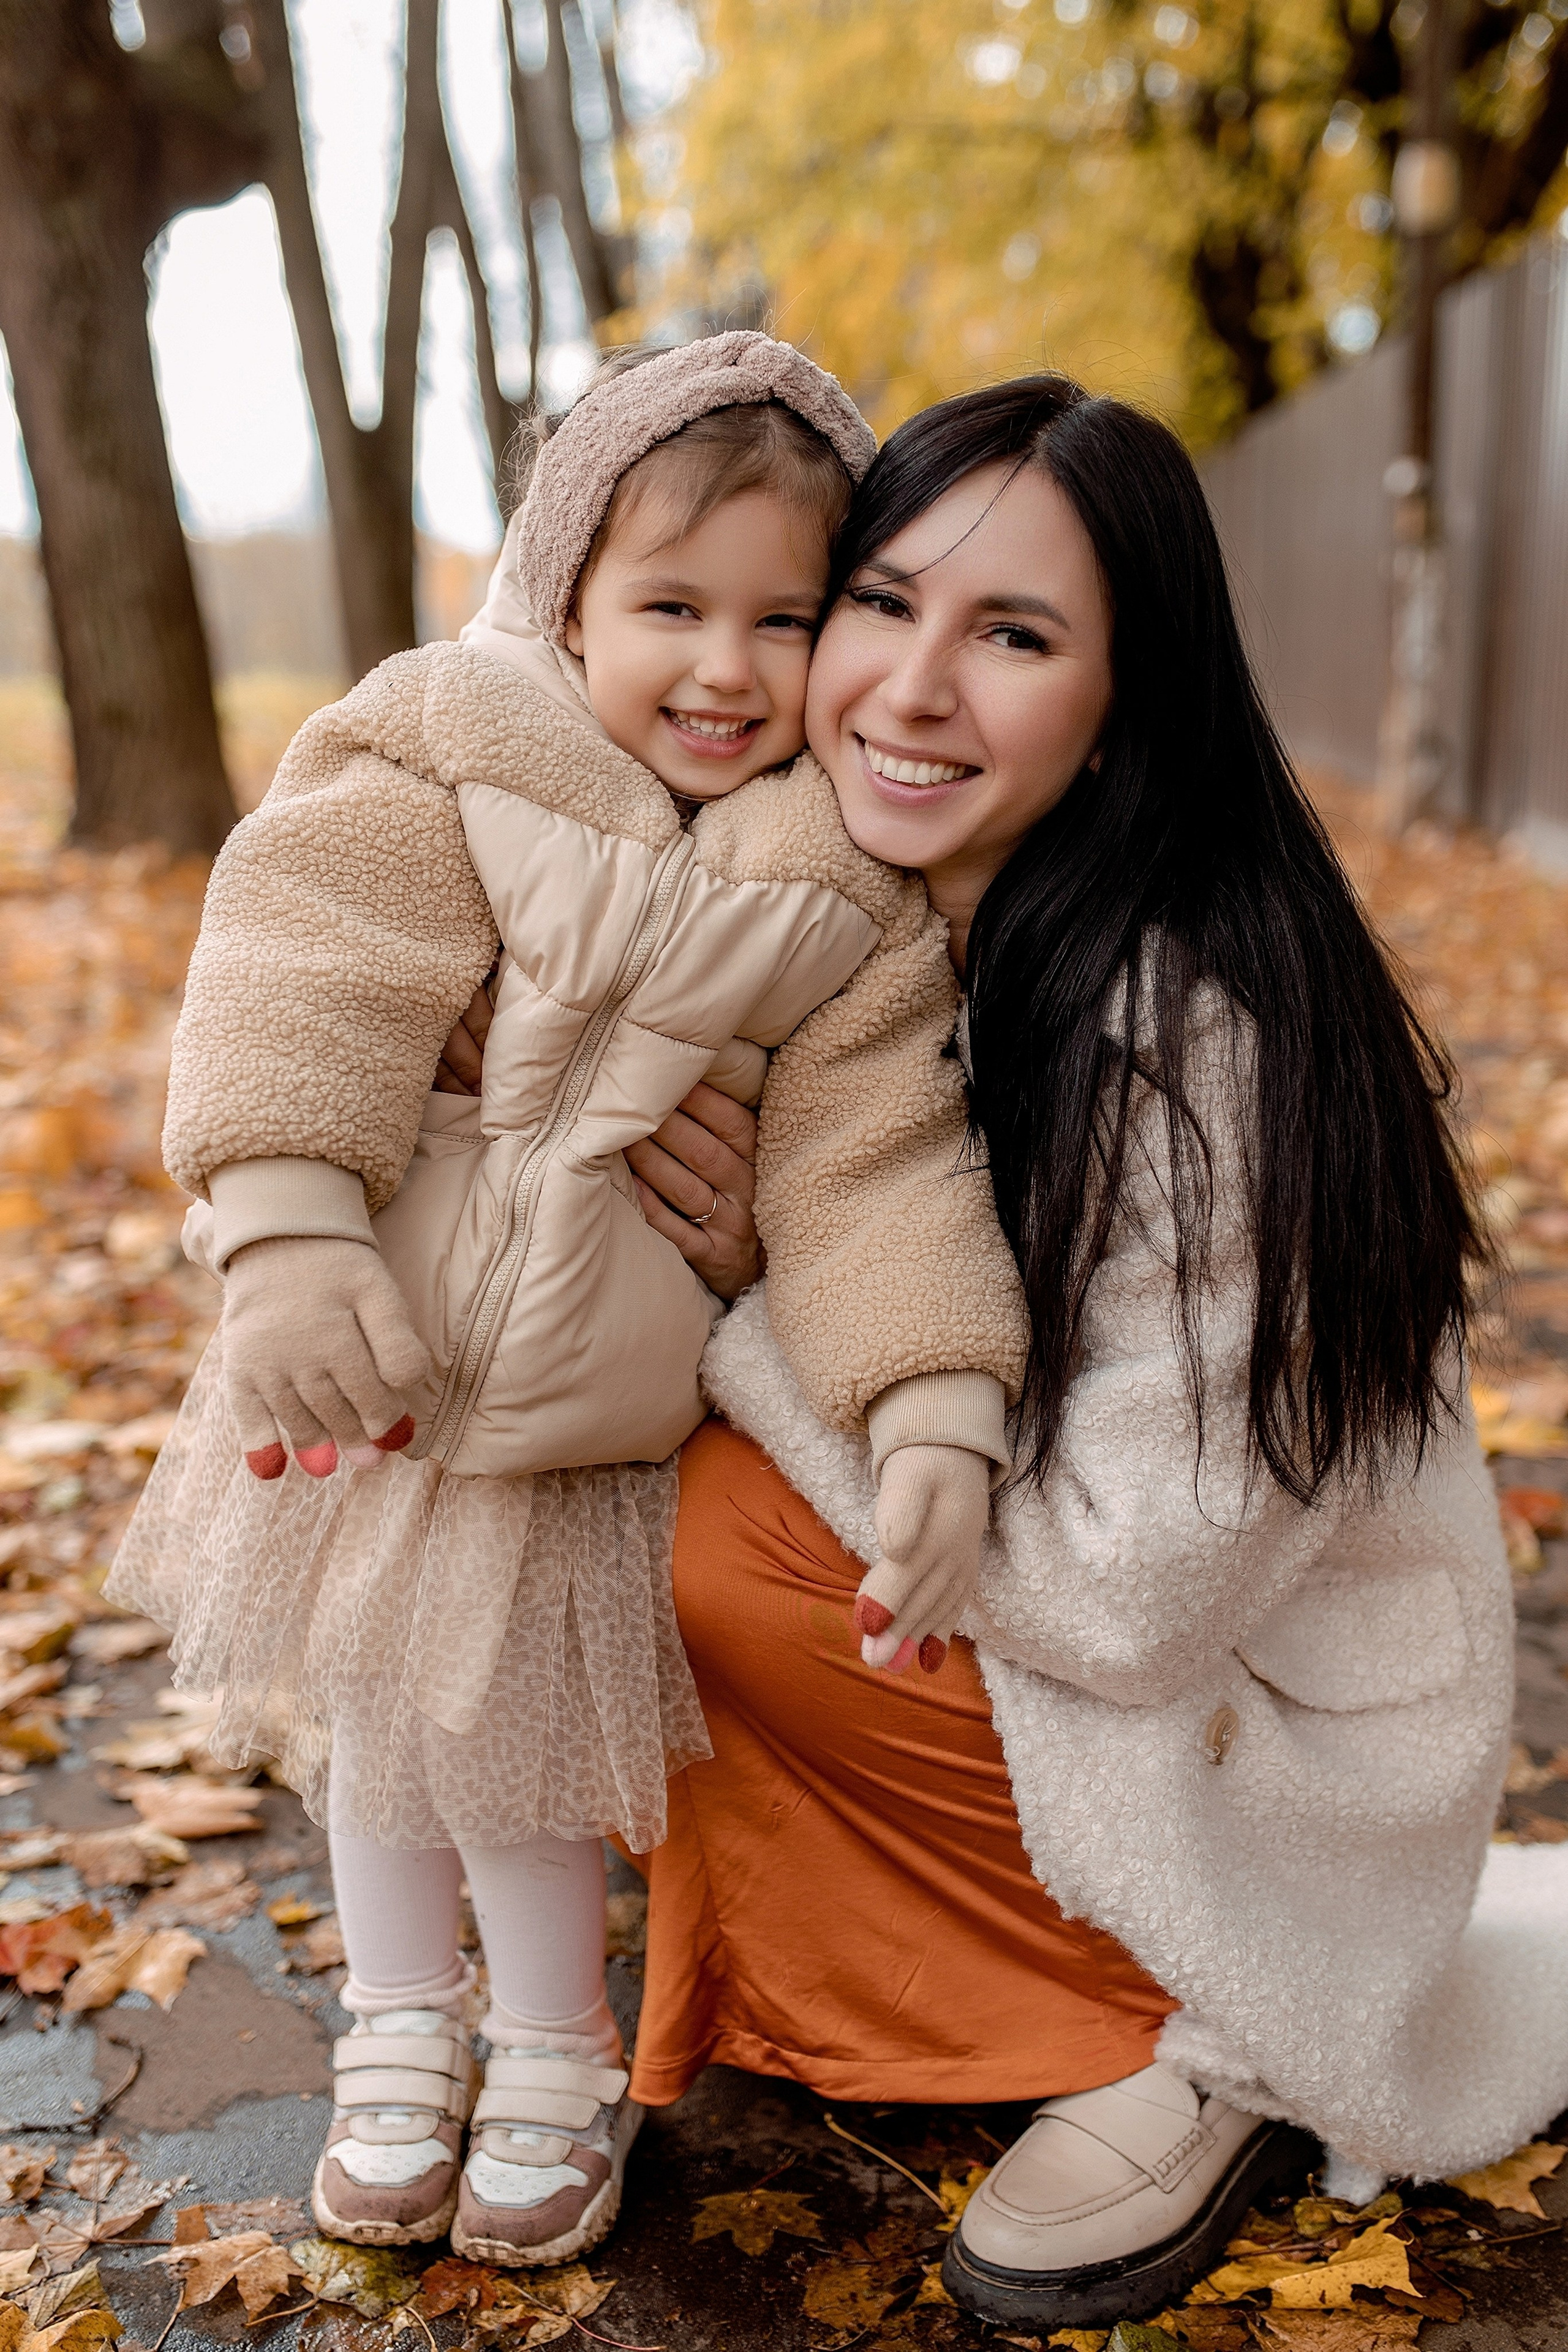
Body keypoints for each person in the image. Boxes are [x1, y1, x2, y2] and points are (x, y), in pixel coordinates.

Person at [557, 372, 1568, 2334]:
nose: (911, 689)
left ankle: (1190, 2025)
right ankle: (903, 1959)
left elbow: (1123, 1596)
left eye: (1012, 636)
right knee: (588, 1500)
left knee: (718, 1539)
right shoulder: (881, 930)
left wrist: (769, 1307)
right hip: (1145, 1675)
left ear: (1127, 706)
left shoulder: (1198, 1042)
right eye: (882, 602)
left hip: (1261, 1744)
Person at [108, 336, 1028, 2269]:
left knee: (517, 1751)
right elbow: (310, 957)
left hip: (601, 1412)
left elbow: (873, 1168)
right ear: (563, 590)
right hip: (382, 1351)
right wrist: (283, 1227)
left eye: (785, 619)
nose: (723, 666)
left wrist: (934, 1403)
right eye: (669, 607)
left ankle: (549, 2044)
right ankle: (396, 2029)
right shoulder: (451, 738)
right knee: (377, 1727)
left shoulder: (843, 885)